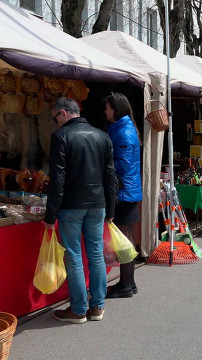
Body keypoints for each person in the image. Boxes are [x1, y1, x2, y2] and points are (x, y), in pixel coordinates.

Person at [44, 97, 117, 323]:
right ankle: (97, 307)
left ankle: (77, 309)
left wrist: (50, 214)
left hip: (71, 206)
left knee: (74, 256)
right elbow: (110, 176)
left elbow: (57, 178)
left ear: (64, 113)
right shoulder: (102, 136)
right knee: (95, 254)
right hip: (97, 204)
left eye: (55, 117)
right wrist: (111, 208)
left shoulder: (61, 136)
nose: (55, 122)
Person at [104, 93, 143, 299]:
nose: (105, 111)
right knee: (125, 236)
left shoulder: (124, 132)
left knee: (124, 238)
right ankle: (128, 283)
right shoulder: (121, 129)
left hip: (124, 192)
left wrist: (103, 164)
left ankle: (127, 284)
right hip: (127, 190)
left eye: (108, 108)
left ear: (116, 109)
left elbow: (124, 165)